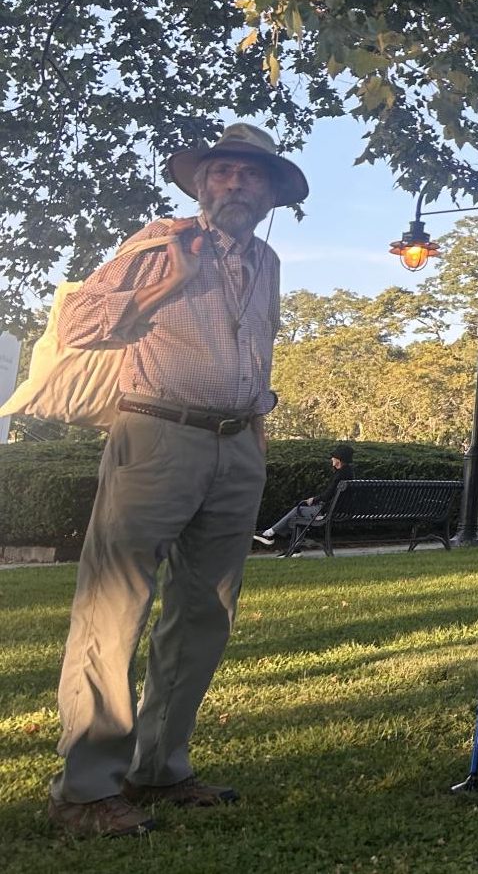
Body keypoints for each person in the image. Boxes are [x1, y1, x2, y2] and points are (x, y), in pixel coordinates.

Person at [48, 122, 306, 837]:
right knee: (115, 604)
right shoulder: (158, 240)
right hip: (156, 433)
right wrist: (165, 282)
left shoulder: (270, 258)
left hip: (236, 445)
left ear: (270, 191)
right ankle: (86, 787)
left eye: (248, 175)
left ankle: (160, 764)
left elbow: (257, 347)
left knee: (204, 614)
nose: (232, 184)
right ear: (200, 183)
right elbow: (78, 323)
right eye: (221, 171)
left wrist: (255, 424)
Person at [253, 443, 356, 550]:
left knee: (298, 510)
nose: (331, 459)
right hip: (342, 511)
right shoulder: (349, 473)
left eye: (333, 457)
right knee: (300, 513)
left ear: (339, 460)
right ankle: (294, 548)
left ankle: (269, 534)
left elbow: (327, 495)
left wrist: (313, 499)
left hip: (330, 511)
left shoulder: (339, 475)